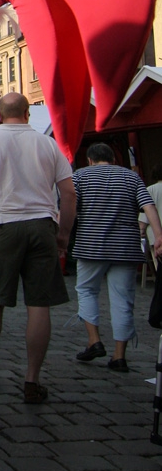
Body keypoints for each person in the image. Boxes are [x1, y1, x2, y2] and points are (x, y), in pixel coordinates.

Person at [0, 92, 76, 403]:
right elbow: (68, 194)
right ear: (28, 113)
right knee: (39, 304)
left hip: (3, 224)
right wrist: (64, 234)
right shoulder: (47, 143)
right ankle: (32, 379)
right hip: (42, 224)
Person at [73, 143, 162, 372]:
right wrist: (159, 236)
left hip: (91, 246)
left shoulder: (80, 176)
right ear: (113, 159)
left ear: (90, 160)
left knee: (87, 290)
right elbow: (148, 206)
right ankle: (119, 355)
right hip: (126, 247)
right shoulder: (131, 178)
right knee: (123, 299)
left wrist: (63, 235)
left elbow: (69, 205)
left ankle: (94, 341)